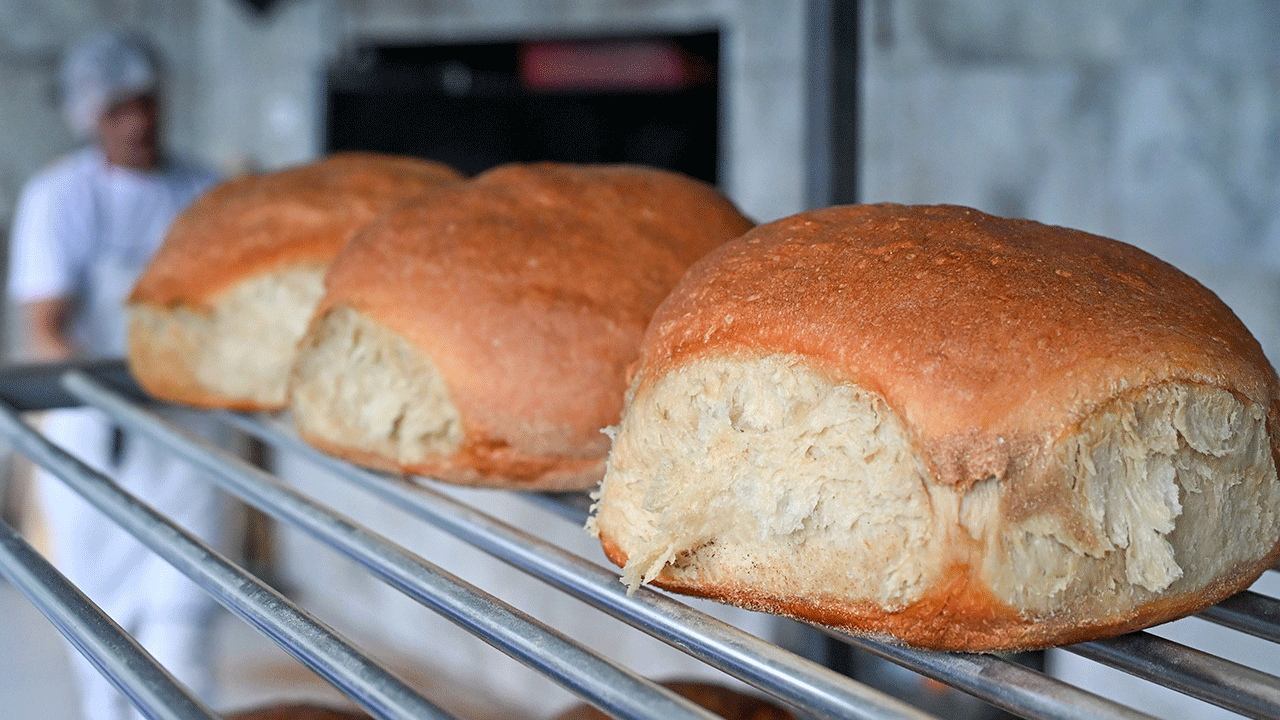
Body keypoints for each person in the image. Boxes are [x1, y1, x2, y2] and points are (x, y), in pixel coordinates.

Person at [7, 29, 236, 720]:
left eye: (145, 104)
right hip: (96, 433)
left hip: (189, 436)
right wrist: (115, 386)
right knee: (100, 630)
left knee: (184, 621)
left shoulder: (207, 193)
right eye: (117, 111)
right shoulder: (61, 198)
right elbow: (45, 325)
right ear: (89, 118)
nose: (137, 122)